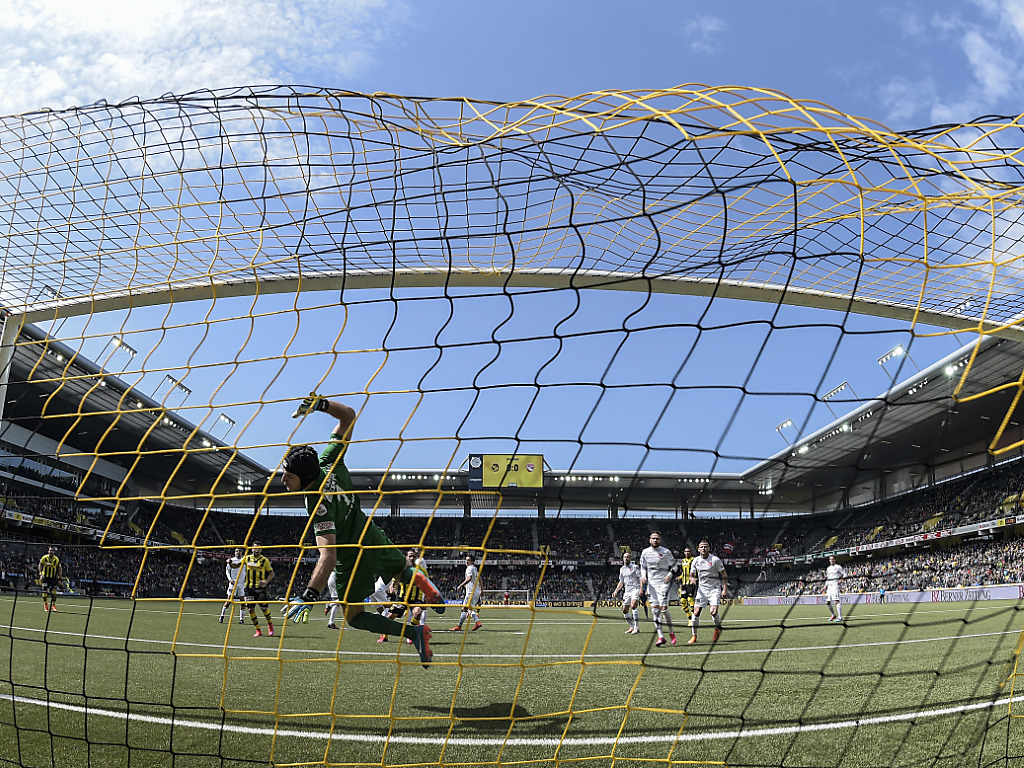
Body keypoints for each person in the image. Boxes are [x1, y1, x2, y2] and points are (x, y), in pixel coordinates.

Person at [280, 392, 444, 668]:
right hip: (370, 532)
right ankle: (426, 587)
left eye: (289, 475)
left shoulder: (316, 503)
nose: (283, 478)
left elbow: (328, 555)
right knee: (403, 570)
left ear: (305, 478)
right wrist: (321, 405)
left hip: (351, 555)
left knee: (354, 616)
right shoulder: (329, 460)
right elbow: (349, 415)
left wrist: (308, 595)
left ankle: (414, 633)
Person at [639, 531, 677, 647]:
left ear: (660, 540)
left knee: (664, 609)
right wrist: (644, 576)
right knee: (655, 611)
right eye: (653, 538)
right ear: (649, 540)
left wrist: (669, 575)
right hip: (652, 585)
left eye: (657, 538)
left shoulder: (666, 552)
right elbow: (643, 567)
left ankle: (671, 633)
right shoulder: (645, 552)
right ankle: (661, 637)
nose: (655, 540)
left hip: (663, 584)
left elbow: (675, 566)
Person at [688, 539, 728, 644]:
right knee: (696, 612)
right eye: (701, 547)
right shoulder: (695, 561)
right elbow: (691, 574)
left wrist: (724, 589)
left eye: (705, 546)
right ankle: (694, 636)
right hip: (702, 590)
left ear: (709, 549)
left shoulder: (715, 560)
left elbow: (724, 574)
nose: (704, 548)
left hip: (714, 589)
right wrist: (692, 579)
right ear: (698, 549)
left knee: (713, 611)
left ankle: (717, 628)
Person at [243, 542, 276, 637]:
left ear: (261, 550)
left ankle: (270, 624)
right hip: (249, 588)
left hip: (260, 588)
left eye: (259, 548)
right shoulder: (247, 558)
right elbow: (237, 565)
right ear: (251, 549)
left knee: (264, 608)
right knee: (250, 610)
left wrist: (266, 581)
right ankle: (258, 630)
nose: (257, 550)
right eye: (255, 548)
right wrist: (230, 563)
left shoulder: (264, 560)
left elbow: (271, 573)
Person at [611, 551, 642, 634]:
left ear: (630, 558)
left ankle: (636, 627)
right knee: (625, 610)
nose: (626, 558)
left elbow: (640, 578)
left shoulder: (635, 567)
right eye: (625, 557)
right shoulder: (622, 569)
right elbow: (621, 582)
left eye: (628, 557)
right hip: (627, 590)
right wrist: (616, 591)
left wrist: (641, 589)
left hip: (635, 588)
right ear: (623, 559)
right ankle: (631, 627)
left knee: (633, 605)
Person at [452, 553, 483, 631]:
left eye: (468, 560)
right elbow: (480, 579)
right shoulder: (475, 568)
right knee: (469, 609)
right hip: (476, 592)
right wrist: (481, 590)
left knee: (464, 609)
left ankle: (460, 626)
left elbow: (469, 578)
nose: (466, 562)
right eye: (466, 560)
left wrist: (461, 585)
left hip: (471, 592)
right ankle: (477, 622)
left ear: (472, 561)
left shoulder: (469, 568)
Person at [219, 547, 247, 624]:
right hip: (233, 583)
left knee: (243, 602)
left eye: (240, 551)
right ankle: (222, 616)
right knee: (228, 601)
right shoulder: (231, 560)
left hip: (241, 584)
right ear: (235, 552)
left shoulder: (244, 560)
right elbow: (227, 571)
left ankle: (241, 619)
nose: (238, 552)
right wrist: (230, 579)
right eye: (237, 551)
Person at [38, 546, 62, 612]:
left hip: (53, 578)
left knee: (54, 592)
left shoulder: (56, 559)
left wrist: (59, 579)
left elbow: (60, 569)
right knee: (44, 591)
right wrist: (40, 574)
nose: (51, 552)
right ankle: (45, 605)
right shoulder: (44, 558)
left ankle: (53, 605)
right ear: (48, 551)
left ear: (54, 552)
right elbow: (40, 564)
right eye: (50, 550)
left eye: (52, 551)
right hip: (45, 577)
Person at [676, 546, 695, 625]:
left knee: (690, 600)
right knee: (683, 601)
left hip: (690, 583)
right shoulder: (683, 561)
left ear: (690, 552)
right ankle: (689, 618)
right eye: (686, 551)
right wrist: (680, 577)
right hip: (683, 584)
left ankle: (694, 618)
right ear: (684, 553)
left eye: (688, 551)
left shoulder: (693, 560)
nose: (687, 553)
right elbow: (684, 572)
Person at [825, 555, 847, 622]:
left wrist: (841, 580)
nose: (831, 560)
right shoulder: (828, 568)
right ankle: (833, 615)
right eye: (830, 559)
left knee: (836, 600)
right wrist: (825, 586)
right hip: (829, 586)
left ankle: (840, 617)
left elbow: (845, 574)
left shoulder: (838, 567)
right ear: (829, 560)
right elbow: (828, 578)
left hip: (835, 585)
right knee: (828, 602)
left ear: (835, 560)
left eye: (832, 559)